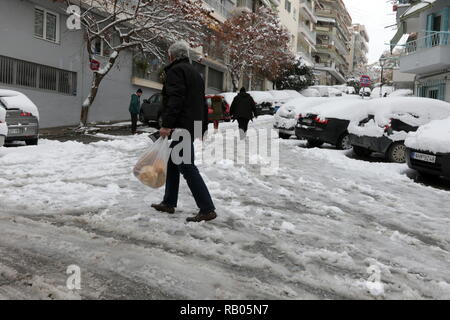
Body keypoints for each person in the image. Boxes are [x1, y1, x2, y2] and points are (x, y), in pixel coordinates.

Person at [151, 41, 217, 223]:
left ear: (172, 56)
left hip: (180, 126)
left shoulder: (175, 71)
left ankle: (207, 208)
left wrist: (166, 124)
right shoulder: (195, 73)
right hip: (190, 125)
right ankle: (169, 202)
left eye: (168, 55)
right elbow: (202, 103)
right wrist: (201, 128)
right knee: (173, 164)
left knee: (187, 167)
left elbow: (175, 100)